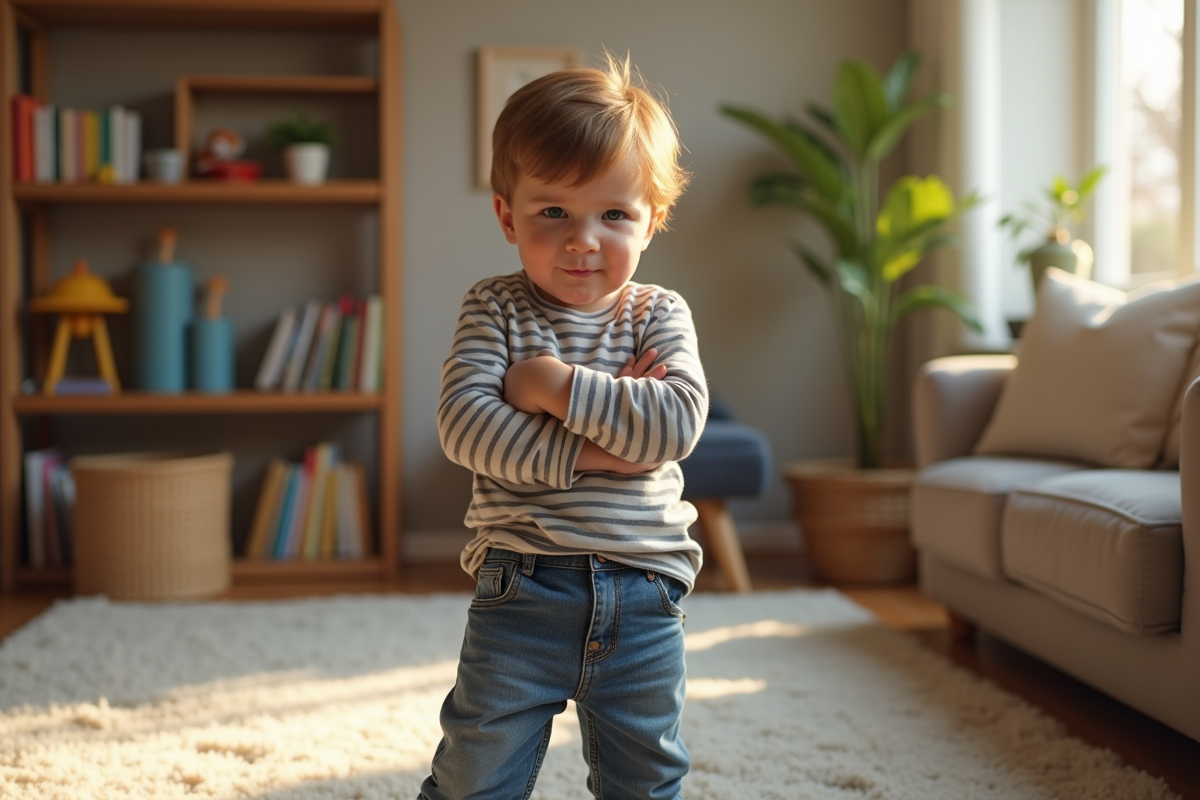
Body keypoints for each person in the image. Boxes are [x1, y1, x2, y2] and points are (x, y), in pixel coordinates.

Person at [420, 52, 707, 800]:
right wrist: (608, 446)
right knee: (474, 773)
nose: (584, 239)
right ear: (507, 215)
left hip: (645, 592)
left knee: (647, 779)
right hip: (521, 585)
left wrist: (550, 385)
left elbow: (673, 426)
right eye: (554, 212)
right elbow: (466, 428)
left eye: (614, 215)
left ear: (652, 220)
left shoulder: (659, 313)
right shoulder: (494, 308)